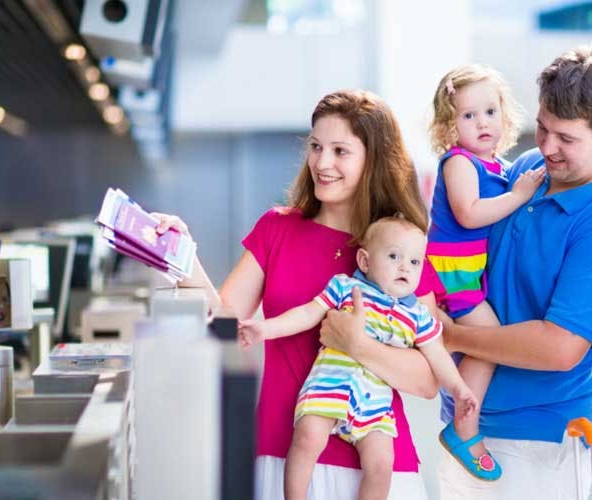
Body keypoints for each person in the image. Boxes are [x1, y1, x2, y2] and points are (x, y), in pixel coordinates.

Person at [155, 90, 439, 499]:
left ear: (373, 160)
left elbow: (429, 379)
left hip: (378, 471)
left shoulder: (402, 254)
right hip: (285, 458)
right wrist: (183, 256)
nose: (323, 163)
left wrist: (357, 344)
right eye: (317, 147)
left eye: (341, 151)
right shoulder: (277, 229)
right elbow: (225, 319)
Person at [429, 45, 592, 499]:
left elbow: (559, 348)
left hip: (544, 442)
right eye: (542, 128)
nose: (547, 147)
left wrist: (450, 336)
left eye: (565, 138)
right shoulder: (528, 168)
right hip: (467, 428)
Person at [239, 216, 478, 500]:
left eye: (415, 262)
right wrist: (264, 329)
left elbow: (436, 357)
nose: (405, 267)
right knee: (306, 439)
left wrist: (460, 389)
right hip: (328, 388)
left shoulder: (418, 316)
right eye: (394, 256)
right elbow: (307, 314)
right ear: (365, 261)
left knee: (381, 464)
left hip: (374, 405)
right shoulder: (346, 287)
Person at [425, 63, 545, 480]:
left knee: (482, 343)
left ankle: (461, 410)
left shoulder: (493, 163)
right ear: (449, 125)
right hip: (452, 276)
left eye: (490, 112)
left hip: (470, 275)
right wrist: (519, 194)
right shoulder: (458, 163)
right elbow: (470, 214)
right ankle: (463, 426)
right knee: (490, 342)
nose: (482, 123)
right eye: (468, 115)